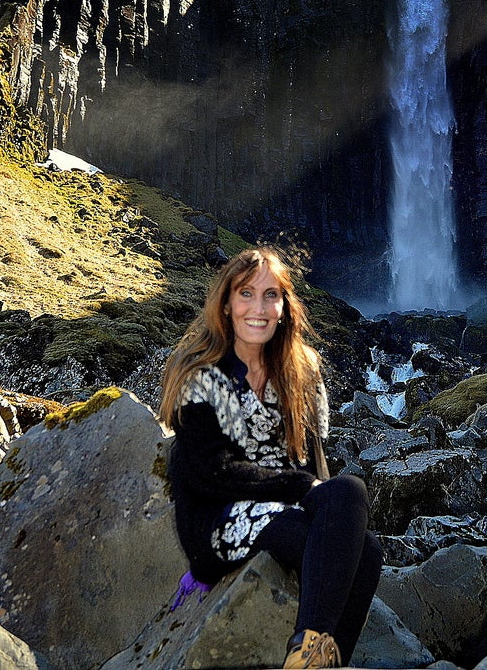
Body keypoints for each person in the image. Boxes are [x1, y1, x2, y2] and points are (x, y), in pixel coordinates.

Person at [160, 246, 382, 669]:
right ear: (225, 304)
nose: (257, 308)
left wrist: (325, 504)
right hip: (217, 519)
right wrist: (303, 490)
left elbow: (311, 460)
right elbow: (208, 473)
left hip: (281, 509)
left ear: (284, 307)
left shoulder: (300, 370)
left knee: (365, 547)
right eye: (246, 294)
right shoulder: (200, 373)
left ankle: (314, 657)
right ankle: (307, 657)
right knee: (344, 513)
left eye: (270, 296)